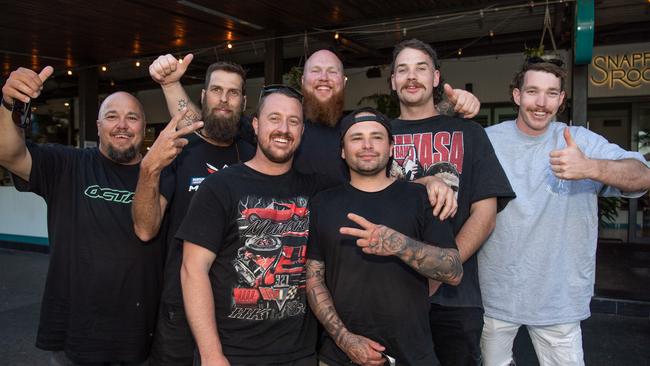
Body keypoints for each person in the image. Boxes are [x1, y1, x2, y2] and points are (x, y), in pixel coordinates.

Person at [479, 59, 650, 366]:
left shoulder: (580, 141)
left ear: (561, 99)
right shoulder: (487, 141)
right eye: (532, 91)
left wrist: (590, 167)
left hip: (556, 298)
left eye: (551, 93)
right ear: (517, 95)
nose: (541, 103)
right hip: (494, 293)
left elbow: (643, 175)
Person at [1, 67, 162, 365]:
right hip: (76, 330)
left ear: (144, 127)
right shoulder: (68, 165)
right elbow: (9, 153)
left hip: (141, 333)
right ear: (98, 125)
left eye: (132, 117)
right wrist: (11, 104)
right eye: (112, 116)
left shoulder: (160, 176)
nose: (122, 125)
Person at [149, 50, 481, 184]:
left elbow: (387, 182)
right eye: (315, 72)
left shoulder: (360, 131)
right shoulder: (274, 129)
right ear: (303, 81)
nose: (324, 77)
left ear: (343, 82)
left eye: (332, 72)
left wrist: (456, 108)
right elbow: (206, 122)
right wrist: (170, 84)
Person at [177, 86, 334, 365]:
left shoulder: (318, 190)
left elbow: (370, 187)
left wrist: (428, 183)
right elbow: (192, 270)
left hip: (299, 356)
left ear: (301, 132)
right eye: (274, 118)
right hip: (233, 354)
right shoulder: (220, 187)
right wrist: (211, 354)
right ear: (256, 125)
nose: (283, 129)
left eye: (293, 121)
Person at [388, 39, 515, 366]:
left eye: (421, 68)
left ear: (436, 78)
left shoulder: (469, 133)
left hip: (455, 299)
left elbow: (485, 215)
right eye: (402, 70)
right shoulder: (377, 135)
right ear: (392, 82)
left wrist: (440, 270)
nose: (411, 76)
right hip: (389, 294)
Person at [305, 108, 463, 366]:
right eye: (356, 138)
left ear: (391, 147)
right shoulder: (323, 203)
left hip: (413, 354)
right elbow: (313, 280)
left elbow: (454, 271)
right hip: (339, 356)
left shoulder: (420, 198)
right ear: (343, 151)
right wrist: (345, 340)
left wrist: (399, 244)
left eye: (376, 137)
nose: (367, 145)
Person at [133, 59, 255, 366]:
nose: (224, 99)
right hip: (182, 306)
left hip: (241, 307)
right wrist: (149, 169)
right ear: (202, 97)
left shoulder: (254, 155)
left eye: (233, 92)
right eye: (216, 90)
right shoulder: (179, 151)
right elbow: (145, 229)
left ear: (244, 101)